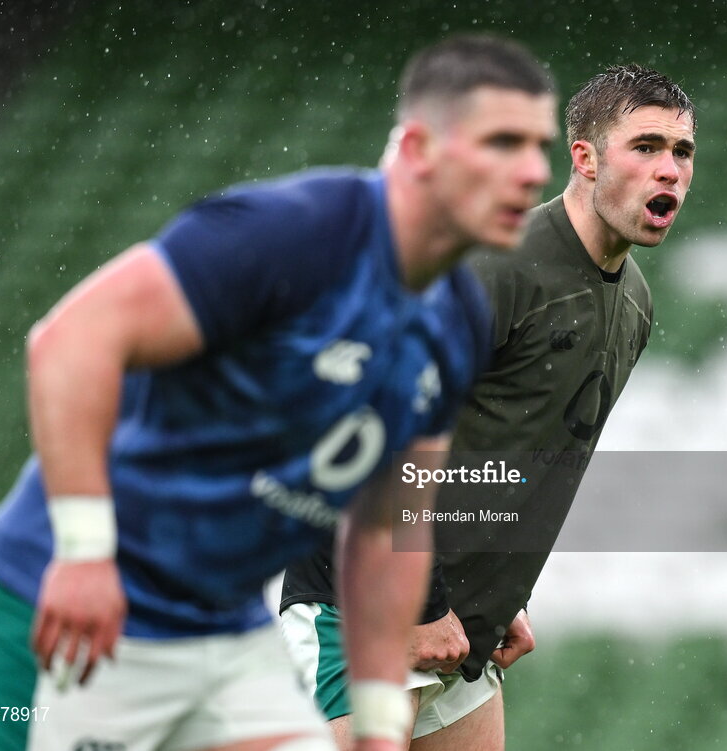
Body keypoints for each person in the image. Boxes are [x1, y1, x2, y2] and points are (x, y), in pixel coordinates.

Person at [0, 34, 558, 751]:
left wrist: (374, 719)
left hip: (223, 635)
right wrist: (84, 552)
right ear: (421, 147)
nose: (531, 171)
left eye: (538, 145)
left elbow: (383, 527)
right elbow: (70, 340)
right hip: (74, 608)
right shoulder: (295, 231)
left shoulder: (457, 317)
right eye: (503, 143)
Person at [280, 63, 696, 750]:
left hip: (459, 623)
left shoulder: (635, 304)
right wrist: (424, 602)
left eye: (681, 152)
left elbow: (521, 452)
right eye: (645, 147)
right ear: (585, 159)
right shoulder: (497, 264)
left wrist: (504, 589)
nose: (669, 170)